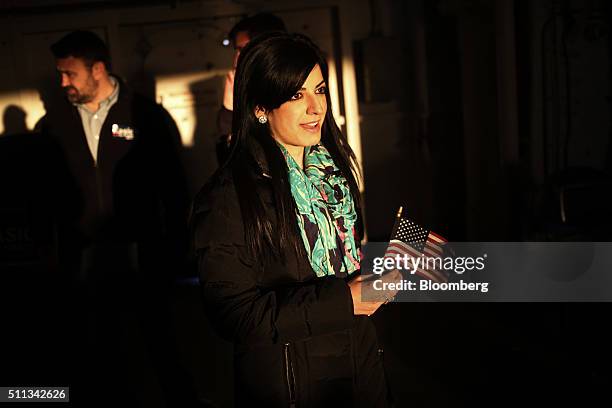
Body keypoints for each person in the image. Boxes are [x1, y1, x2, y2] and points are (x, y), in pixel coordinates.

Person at [193, 32, 392, 407]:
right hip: (292, 386)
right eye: (297, 95)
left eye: (320, 90)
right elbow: (234, 315)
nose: (316, 108)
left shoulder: (333, 175)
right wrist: (344, 302)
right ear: (259, 108)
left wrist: (399, 260)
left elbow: (352, 273)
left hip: (360, 372)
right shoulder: (228, 196)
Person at [40, 30, 196, 406]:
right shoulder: (53, 125)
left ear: (97, 69)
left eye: (70, 73)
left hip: (141, 252)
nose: (63, 82)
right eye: (60, 73)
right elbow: (44, 196)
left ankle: (183, 400)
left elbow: (175, 190)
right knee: (97, 343)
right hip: (84, 256)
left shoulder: (144, 115)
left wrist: (174, 252)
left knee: (158, 337)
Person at [216, 13, 286, 165]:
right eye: (236, 51)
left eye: (243, 50)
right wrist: (229, 107)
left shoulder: (286, 91)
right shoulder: (245, 94)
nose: (236, 60)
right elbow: (228, 161)